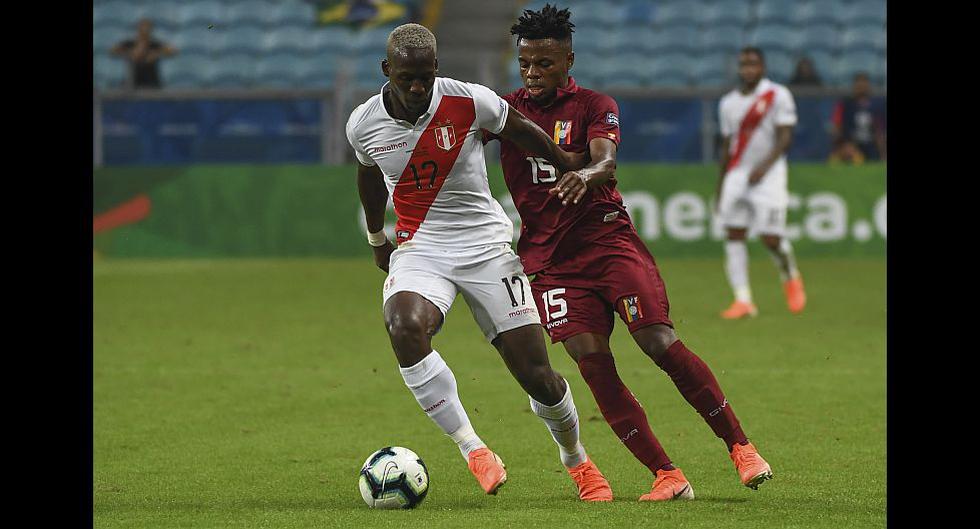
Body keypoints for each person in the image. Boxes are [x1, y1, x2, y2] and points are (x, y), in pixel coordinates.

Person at [484, 5, 773, 501]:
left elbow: (605, 160)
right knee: (592, 362)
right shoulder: (505, 109)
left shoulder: (595, 104)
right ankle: (667, 475)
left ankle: (741, 447)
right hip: (550, 264)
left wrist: (586, 175)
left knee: (658, 342)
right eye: (525, 63)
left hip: (608, 243)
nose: (533, 74)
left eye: (545, 64)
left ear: (568, 60)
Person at [345, 23, 613, 501]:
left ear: (436, 70)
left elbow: (523, 132)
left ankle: (576, 458)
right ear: (387, 71)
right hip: (420, 248)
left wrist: (569, 163)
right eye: (406, 77)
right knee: (404, 326)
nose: (416, 88)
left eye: (425, 77)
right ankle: (473, 449)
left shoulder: (470, 101)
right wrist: (375, 237)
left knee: (537, 375)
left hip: (486, 247)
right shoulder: (362, 123)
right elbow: (367, 177)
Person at [716, 47, 806, 319]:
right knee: (734, 234)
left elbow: (785, 137)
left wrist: (764, 167)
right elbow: (727, 145)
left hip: (769, 175)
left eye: (753, 64)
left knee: (771, 238)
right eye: (744, 64)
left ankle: (790, 273)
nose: (748, 69)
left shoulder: (778, 95)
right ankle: (743, 300)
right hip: (737, 173)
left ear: (763, 67)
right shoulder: (728, 103)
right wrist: (720, 186)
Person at [829, 72, 886, 163]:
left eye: (864, 85)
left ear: (868, 86)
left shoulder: (878, 105)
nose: (861, 88)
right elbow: (837, 127)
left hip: (872, 145)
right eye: (859, 85)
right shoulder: (845, 104)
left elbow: (880, 131)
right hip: (851, 145)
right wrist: (842, 145)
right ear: (854, 86)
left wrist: (883, 153)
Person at [110, 19, 177, 89]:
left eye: (147, 29)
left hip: (152, 83)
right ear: (138, 30)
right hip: (133, 82)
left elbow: (173, 51)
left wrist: (156, 54)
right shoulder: (130, 43)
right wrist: (130, 53)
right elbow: (112, 51)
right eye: (142, 29)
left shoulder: (154, 45)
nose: (145, 32)